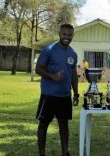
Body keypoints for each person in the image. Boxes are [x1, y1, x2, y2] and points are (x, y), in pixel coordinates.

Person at [35, 23, 79, 156]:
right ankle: (42, 153)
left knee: (64, 125)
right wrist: (52, 76)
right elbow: (38, 69)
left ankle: (65, 152)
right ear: (59, 34)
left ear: (72, 36)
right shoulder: (48, 50)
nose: (67, 37)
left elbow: (73, 74)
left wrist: (76, 93)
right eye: (64, 34)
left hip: (65, 96)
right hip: (49, 95)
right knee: (44, 124)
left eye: (69, 35)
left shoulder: (73, 53)